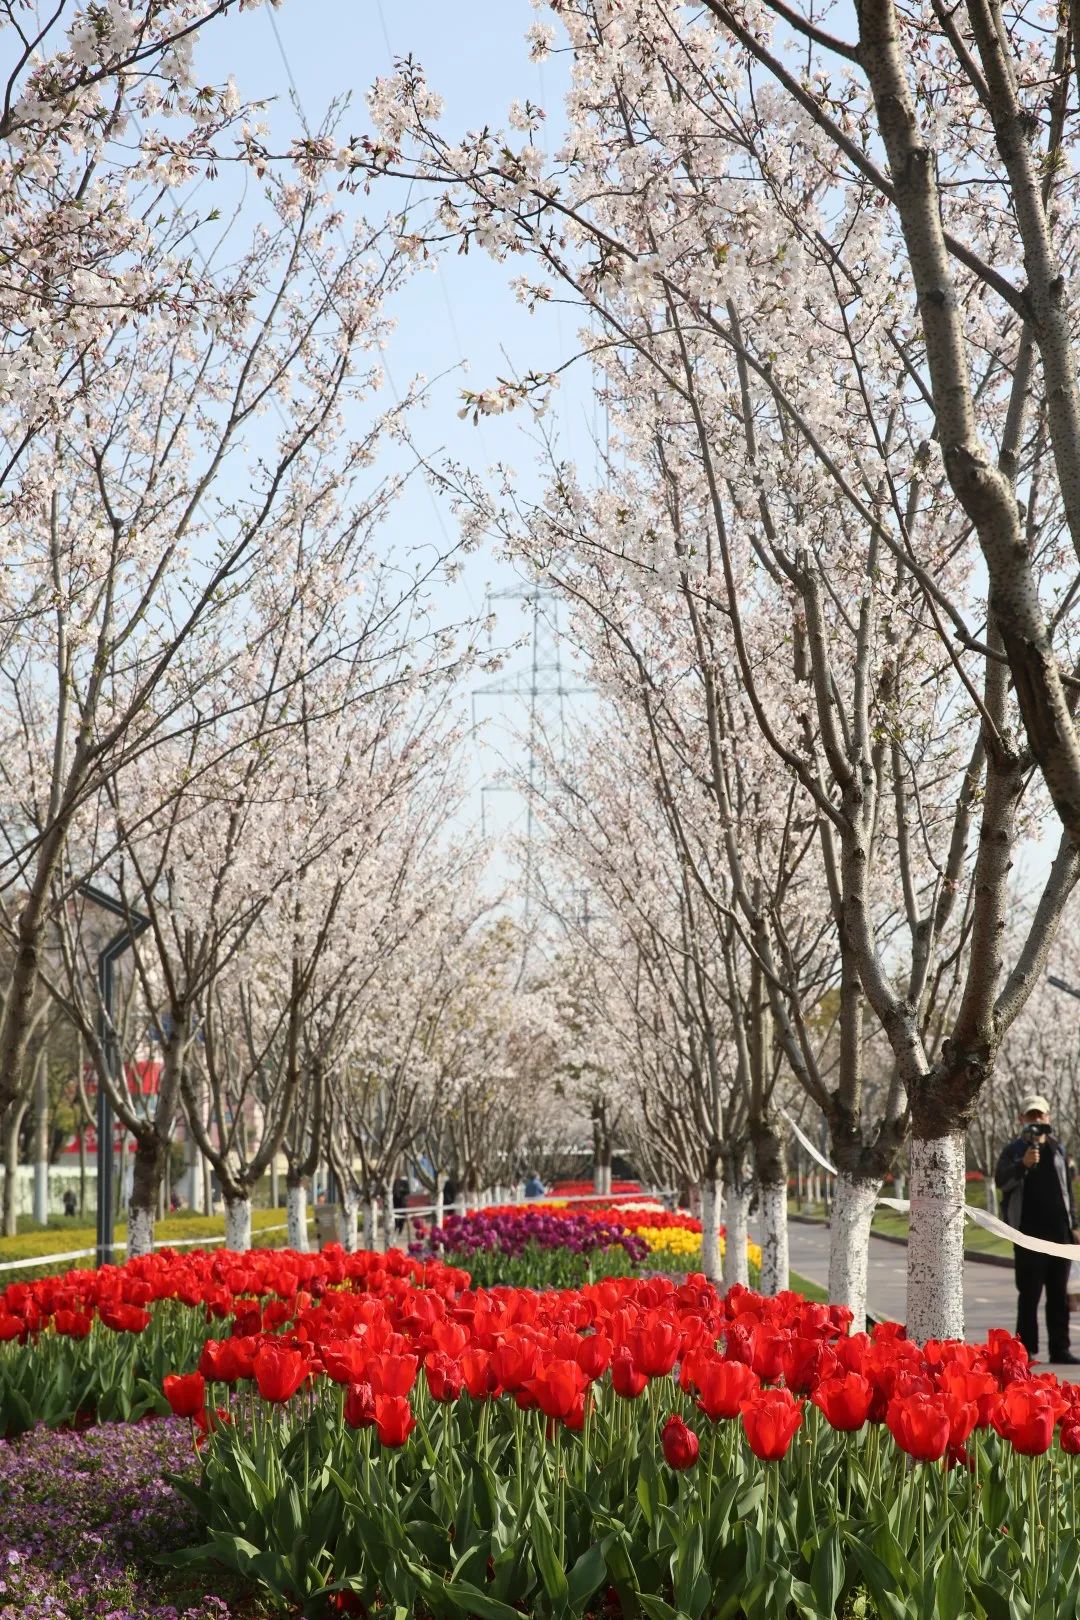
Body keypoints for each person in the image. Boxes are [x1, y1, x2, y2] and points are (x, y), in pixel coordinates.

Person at [995, 1093, 1080, 1365]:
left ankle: (1060, 1349)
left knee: (1058, 1295)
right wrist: (1023, 1165)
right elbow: (1001, 1181)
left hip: (1059, 1236)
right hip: (1027, 1235)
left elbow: (1067, 1191)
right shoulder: (1014, 1151)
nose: (1036, 1120)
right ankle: (1026, 1350)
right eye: (1031, 1116)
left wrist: (1074, 1225)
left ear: (1048, 1118)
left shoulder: (1058, 1149)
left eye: (1040, 1115)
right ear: (1022, 1119)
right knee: (1029, 1295)